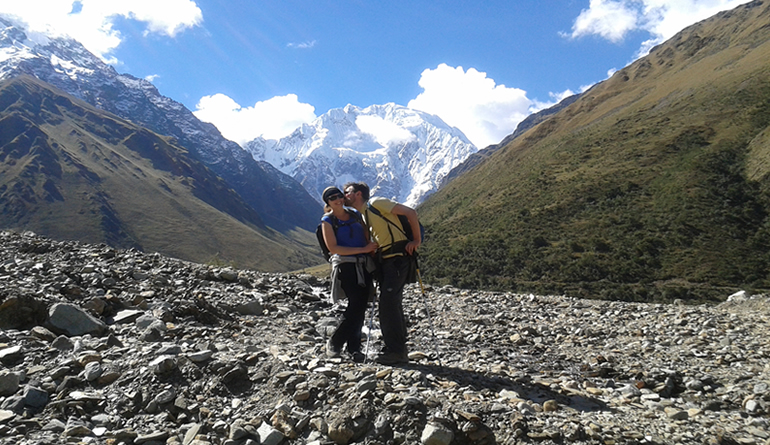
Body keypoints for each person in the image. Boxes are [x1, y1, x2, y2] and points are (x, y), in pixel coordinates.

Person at [343, 182, 421, 365]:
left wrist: (416, 240)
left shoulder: (376, 203)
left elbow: (411, 212)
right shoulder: (364, 215)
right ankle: (397, 349)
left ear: (358, 194)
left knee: (388, 303)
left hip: (398, 259)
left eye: (347, 192)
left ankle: (396, 351)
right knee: (391, 303)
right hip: (388, 261)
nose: (344, 195)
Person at [320, 186, 378, 363]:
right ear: (328, 202)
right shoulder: (327, 221)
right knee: (356, 305)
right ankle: (336, 342)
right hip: (346, 266)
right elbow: (334, 248)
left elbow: (367, 235)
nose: (337, 199)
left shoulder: (355, 215)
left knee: (359, 306)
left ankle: (354, 348)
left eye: (339, 195)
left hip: (364, 265)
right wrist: (362, 249)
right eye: (332, 198)